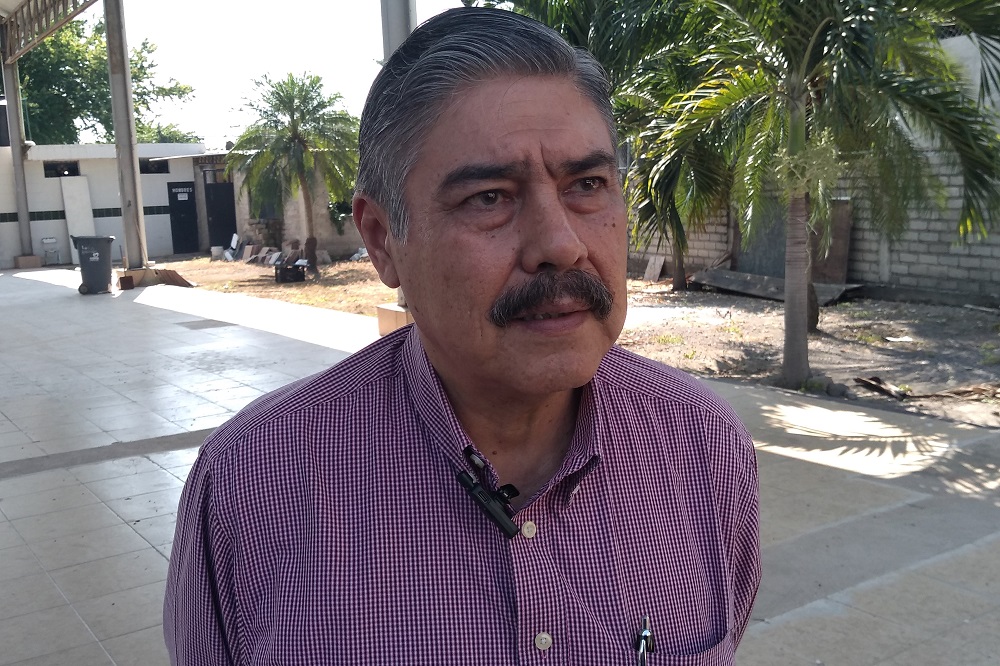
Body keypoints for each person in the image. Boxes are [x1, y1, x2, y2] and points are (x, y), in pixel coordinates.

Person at [163, 7, 759, 664]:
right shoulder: (253, 483)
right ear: (382, 240)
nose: (561, 244)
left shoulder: (703, 446)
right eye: (490, 197)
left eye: (587, 185)